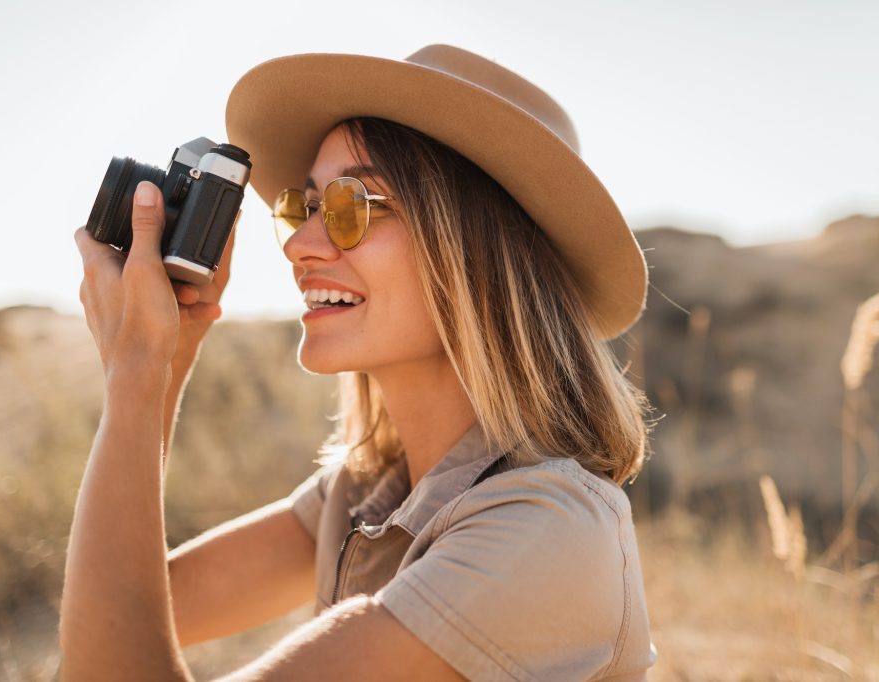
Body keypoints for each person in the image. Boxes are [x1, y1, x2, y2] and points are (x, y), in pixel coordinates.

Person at [61, 44, 657, 680]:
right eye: (307, 205)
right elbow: (113, 616)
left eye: (352, 206)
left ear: (479, 253)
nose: (299, 244)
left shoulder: (545, 531)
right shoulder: (366, 495)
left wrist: (136, 373)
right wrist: (167, 361)